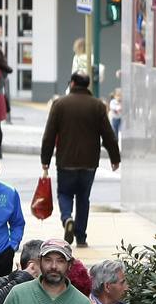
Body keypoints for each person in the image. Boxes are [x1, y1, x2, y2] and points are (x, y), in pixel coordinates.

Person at [40, 73, 121, 249]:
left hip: (66, 161)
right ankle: (81, 236)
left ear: (73, 83)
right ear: (88, 85)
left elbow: (49, 134)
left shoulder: (60, 104)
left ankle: (67, 218)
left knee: (65, 193)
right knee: (83, 198)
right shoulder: (98, 106)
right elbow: (108, 134)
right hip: (89, 163)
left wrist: (45, 159)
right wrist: (115, 158)